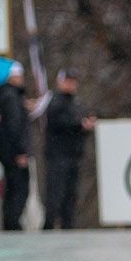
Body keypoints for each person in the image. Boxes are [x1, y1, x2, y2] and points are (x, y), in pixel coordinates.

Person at [42, 70, 96, 230]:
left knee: (70, 194)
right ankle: (49, 225)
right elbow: (59, 122)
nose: (71, 85)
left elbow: (82, 119)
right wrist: (79, 124)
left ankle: (68, 225)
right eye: (68, 81)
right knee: (55, 192)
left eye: (73, 81)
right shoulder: (55, 101)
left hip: (74, 154)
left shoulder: (77, 102)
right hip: (58, 154)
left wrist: (86, 125)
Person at [0, 61, 31, 231]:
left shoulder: (4, 96)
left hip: (6, 150)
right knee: (19, 187)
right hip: (13, 152)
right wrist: (21, 151)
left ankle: (10, 221)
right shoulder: (11, 97)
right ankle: (13, 222)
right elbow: (15, 125)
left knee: (11, 187)